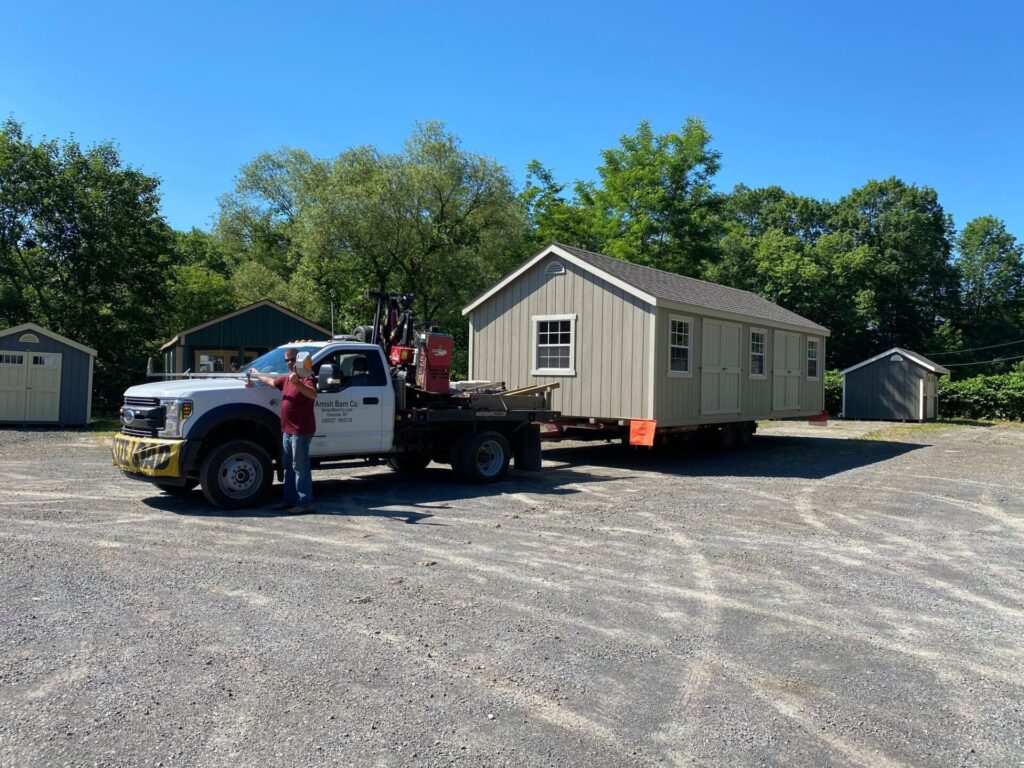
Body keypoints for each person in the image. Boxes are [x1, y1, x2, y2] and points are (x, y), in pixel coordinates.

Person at [248, 349, 317, 514]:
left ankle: (306, 503)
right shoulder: (287, 377)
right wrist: (257, 375)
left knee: (300, 467)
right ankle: (289, 500)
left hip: (301, 431)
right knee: (288, 467)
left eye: (292, 359)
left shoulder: (306, 376)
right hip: (287, 430)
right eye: (287, 360)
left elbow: (313, 394)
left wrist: (298, 383)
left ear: (299, 360)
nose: (289, 363)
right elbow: (272, 383)